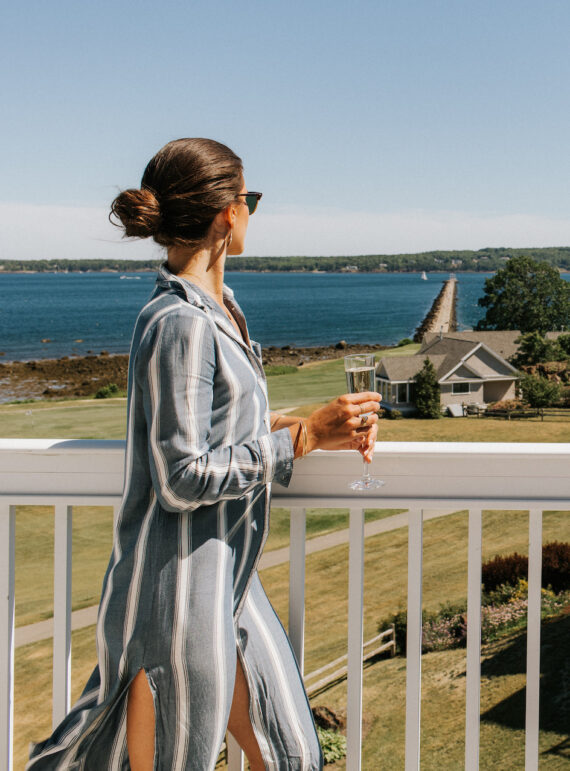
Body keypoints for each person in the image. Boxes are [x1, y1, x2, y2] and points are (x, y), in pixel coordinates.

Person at [27, 138, 380, 770]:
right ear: (227, 212)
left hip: (231, 580)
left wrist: (319, 426)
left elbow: (224, 426)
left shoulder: (222, 310)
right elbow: (180, 474)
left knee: (295, 756)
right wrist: (300, 440)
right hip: (175, 598)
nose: (251, 213)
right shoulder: (178, 322)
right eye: (250, 199)